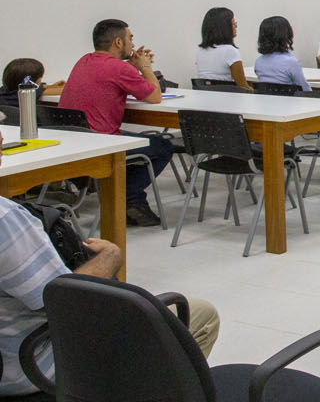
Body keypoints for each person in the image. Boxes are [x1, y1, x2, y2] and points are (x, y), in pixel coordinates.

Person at [0, 194, 220, 396]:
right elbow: (66, 302)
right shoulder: (5, 218)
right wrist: (110, 256)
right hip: (31, 371)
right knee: (201, 314)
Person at [58, 19, 174, 227]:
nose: (132, 43)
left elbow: (112, 74)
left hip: (73, 140)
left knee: (139, 144)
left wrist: (133, 66)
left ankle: (131, 200)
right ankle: (128, 197)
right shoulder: (120, 69)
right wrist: (145, 66)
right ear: (118, 43)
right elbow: (155, 96)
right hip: (102, 143)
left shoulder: (84, 60)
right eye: (130, 38)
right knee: (163, 146)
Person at [193, 6, 248, 87]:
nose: (236, 26)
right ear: (224, 27)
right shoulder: (230, 51)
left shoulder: (200, 51)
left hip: (204, 96)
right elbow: (243, 86)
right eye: (233, 23)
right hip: (225, 97)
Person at [253, 16, 311, 92]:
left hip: (265, 102)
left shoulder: (259, 62)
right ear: (286, 34)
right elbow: (305, 90)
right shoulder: (291, 62)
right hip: (289, 103)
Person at [0, 58, 65, 106]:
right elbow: (65, 91)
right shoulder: (27, 93)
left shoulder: (3, 90)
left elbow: (40, 88)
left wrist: (52, 86)